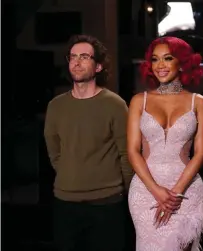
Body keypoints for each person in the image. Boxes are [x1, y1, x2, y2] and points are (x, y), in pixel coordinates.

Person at [44, 34, 133, 251]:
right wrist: (72, 175)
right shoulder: (56, 106)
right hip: (65, 202)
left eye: (84, 56)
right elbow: (54, 153)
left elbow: (127, 155)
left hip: (107, 203)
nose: (76, 61)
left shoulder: (115, 105)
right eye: (73, 56)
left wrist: (126, 195)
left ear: (99, 66)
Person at [127, 36, 203, 251]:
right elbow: (132, 151)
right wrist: (156, 190)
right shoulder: (139, 100)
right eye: (155, 60)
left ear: (182, 63)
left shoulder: (200, 102)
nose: (160, 66)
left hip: (186, 190)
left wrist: (176, 193)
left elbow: (201, 153)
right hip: (146, 189)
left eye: (167, 58)